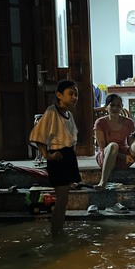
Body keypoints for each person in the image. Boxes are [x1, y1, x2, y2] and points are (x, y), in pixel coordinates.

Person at [29, 80, 81, 235]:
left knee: (64, 200)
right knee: (61, 199)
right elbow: (38, 135)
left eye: (76, 94)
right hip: (58, 158)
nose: (74, 97)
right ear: (59, 95)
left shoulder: (69, 114)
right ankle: (56, 234)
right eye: (70, 94)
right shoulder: (52, 111)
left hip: (68, 156)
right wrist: (48, 156)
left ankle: (59, 232)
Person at [94, 93, 135, 189]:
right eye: (112, 105)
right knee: (113, 145)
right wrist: (123, 156)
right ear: (106, 107)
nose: (115, 108)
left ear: (122, 107)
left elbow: (130, 143)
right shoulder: (100, 122)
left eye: (118, 105)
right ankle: (103, 182)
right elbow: (102, 147)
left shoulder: (128, 122)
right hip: (107, 156)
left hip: (125, 157)